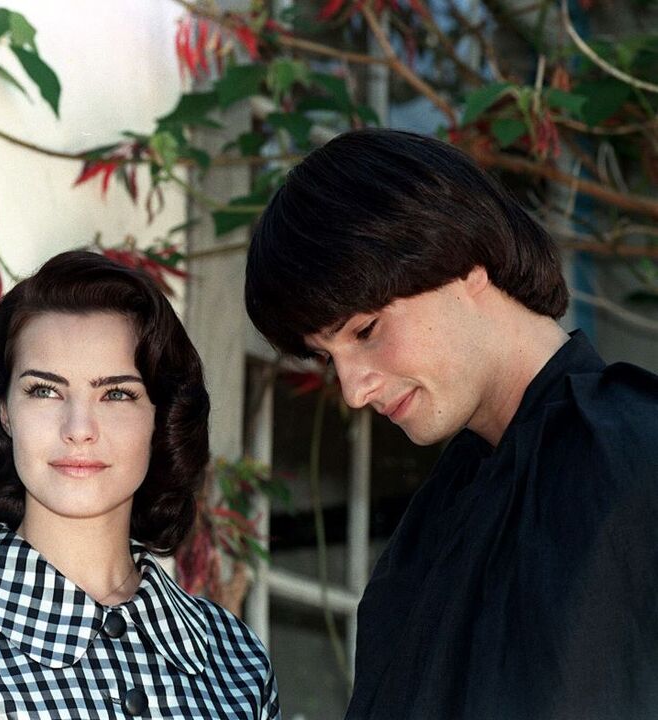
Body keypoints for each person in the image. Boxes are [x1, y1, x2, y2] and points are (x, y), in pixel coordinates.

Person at [245, 128, 658, 719]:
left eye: (366, 331)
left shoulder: (636, 456)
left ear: (466, 263)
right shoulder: (422, 542)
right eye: (327, 357)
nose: (355, 390)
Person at [0, 250, 281, 719]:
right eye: (45, 391)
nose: (79, 428)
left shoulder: (234, 660)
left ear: (160, 417)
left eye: (117, 394)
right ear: (4, 409)